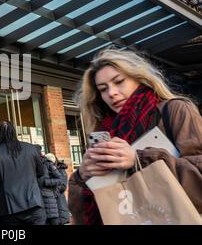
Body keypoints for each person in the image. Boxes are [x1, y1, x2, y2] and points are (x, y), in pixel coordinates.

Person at [69, 47, 202, 224]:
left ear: (140, 79)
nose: (111, 93)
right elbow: (81, 213)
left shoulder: (174, 110)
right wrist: (82, 176)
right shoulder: (106, 131)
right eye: (103, 89)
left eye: (119, 81)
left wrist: (138, 159)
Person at [0, 121, 46, 225]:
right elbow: (41, 172)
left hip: (10, 208)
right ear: (14, 132)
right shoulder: (31, 148)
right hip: (34, 204)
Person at [36, 147, 62, 225]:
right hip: (37, 200)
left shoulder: (48, 163)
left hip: (49, 199)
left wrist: (46, 182)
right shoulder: (31, 165)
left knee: (53, 221)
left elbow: (60, 179)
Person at [45, 153, 70, 225]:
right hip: (54, 208)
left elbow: (63, 187)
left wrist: (50, 190)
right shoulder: (50, 171)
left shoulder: (60, 170)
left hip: (60, 207)